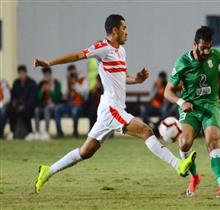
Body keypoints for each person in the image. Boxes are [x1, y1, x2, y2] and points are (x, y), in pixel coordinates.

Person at [34, 14, 195, 194]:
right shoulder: (103, 48)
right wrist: (48, 63)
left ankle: (48, 171)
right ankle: (178, 165)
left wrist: (137, 79)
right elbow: (78, 55)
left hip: (109, 109)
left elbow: (122, 78)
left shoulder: (121, 51)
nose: (127, 32)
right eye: (124, 28)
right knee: (146, 131)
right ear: (115, 30)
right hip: (112, 109)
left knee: (86, 152)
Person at [164, 26, 220, 198]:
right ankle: (194, 178)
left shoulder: (215, 55)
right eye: (203, 47)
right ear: (195, 44)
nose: (206, 51)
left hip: (210, 105)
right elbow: (168, 91)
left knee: (213, 142)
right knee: (184, 143)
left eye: (209, 46)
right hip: (191, 109)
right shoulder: (183, 62)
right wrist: (181, 102)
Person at [54, 64, 87, 138]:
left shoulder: (82, 79)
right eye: (70, 72)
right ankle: (59, 133)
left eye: (73, 71)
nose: (72, 74)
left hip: (78, 105)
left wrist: (75, 83)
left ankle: (75, 133)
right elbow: (63, 93)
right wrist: (67, 79)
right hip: (68, 104)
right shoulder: (66, 80)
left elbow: (84, 93)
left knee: (74, 111)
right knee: (57, 109)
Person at [8, 65, 37, 139]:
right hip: (18, 106)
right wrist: (14, 103)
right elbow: (13, 96)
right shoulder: (16, 83)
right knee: (10, 110)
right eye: (20, 73)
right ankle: (12, 131)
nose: (21, 75)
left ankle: (29, 132)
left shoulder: (32, 83)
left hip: (29, 106)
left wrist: (24, 105)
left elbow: (33, 98)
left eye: (23, 73)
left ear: (26, 73)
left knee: (25, 111)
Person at [34, 67, 62, 140]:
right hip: (42, 106)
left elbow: (57, 98)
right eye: (44, 75)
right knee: (36, 110)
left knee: (47, 109)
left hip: (53, 106)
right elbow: (38, 98)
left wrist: (49, 91)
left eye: (47, 74)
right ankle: (37, 132)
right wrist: (42, 91)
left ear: (50, 74)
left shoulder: (56, 83)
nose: (46, 76)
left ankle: (47, 132)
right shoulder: (40, 84)